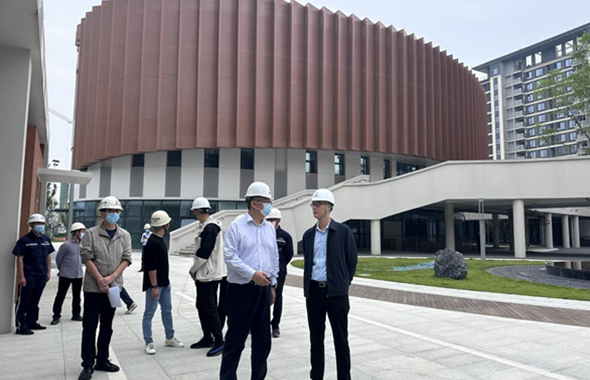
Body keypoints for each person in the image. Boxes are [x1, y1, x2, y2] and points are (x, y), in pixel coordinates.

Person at [220, 182, 279, 380]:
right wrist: (252, 274)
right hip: (240, 291)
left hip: (263, 291)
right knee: (235, 341)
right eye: (267, 202)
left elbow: (274, 257)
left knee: (263, 342)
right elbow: (230, 257)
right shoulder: (236, 227)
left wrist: (273, 284)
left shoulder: (270, 228)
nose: (270, 205)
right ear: (255, 203)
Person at [302, 189, 358, 380]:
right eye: (313, 204)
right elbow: (309, 264)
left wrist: (341, 283)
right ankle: (316, 376)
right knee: (315, 340)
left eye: (318, 204)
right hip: (314, 294)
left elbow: (352, 262)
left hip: (336, 295)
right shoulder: (309, 235)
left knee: (341, 340)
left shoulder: (343, 232)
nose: (314, 208)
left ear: (329, 206)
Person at [78, 196, 132, 380]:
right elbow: (86, 257)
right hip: (93, 288)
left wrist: (111, 278)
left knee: (107, 326)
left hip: (115, 288)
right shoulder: (91, 234)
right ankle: (87, 364)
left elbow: (126, 258)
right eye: (110, 211)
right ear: (102, 213)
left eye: (116, 212)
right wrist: (101, 279)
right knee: (89, 326)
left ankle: (102, 359)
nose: (113, 214)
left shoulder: (124, 235)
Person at [188, 197, 226, 357]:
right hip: (206, 273)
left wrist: (193, 269)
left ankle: (218, 340)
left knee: (209, 307)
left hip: (208, 273)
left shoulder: (211, 227)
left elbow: (204, 252)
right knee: (201, 305)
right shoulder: (208, 226)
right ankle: (207, 337)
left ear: (197, 211)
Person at [142, 210, 184, 355]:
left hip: (164, 284)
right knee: (149, 313)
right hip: (156, 285)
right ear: (166, 225)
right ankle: (148, 342)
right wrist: (154, 286)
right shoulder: (153, 242)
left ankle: (170, 337)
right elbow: (151, 267)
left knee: (167, 311)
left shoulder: (158, 240)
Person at [12, 213, 55, 335]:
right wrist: (21, 276)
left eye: (42, 224)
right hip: (28, 275)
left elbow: (48, 256)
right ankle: (21, 325)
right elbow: (19, 259)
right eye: (37, 224)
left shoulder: (45, 239)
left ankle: (32, 321)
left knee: (35, 300)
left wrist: (48, 272)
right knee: (24, 300)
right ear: (31, 225)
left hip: (41, 275)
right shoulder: (24, 241)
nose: (40, 226)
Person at [50, 222, 86, 325]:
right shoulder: (66, 245)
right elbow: (58, 259)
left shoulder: (82, 245)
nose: (83, 233)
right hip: (66, 274)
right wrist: (62, 269)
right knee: (61, 295)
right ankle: (56, 316)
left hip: (78, 275)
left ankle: (76, 314)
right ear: (76, 232)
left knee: (77, 296)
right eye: (82, 231)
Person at [266, 208, 293, 338]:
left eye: (273, 220)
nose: (271, 222)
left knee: (278, 298)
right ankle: (261, 323)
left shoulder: (285, 236)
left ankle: (275, 325)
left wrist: (280, 267)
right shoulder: (263, 233)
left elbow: (289, 254)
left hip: (279, 273)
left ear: (279, 220)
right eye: (268, 220)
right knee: (263, 298)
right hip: (264, 272)